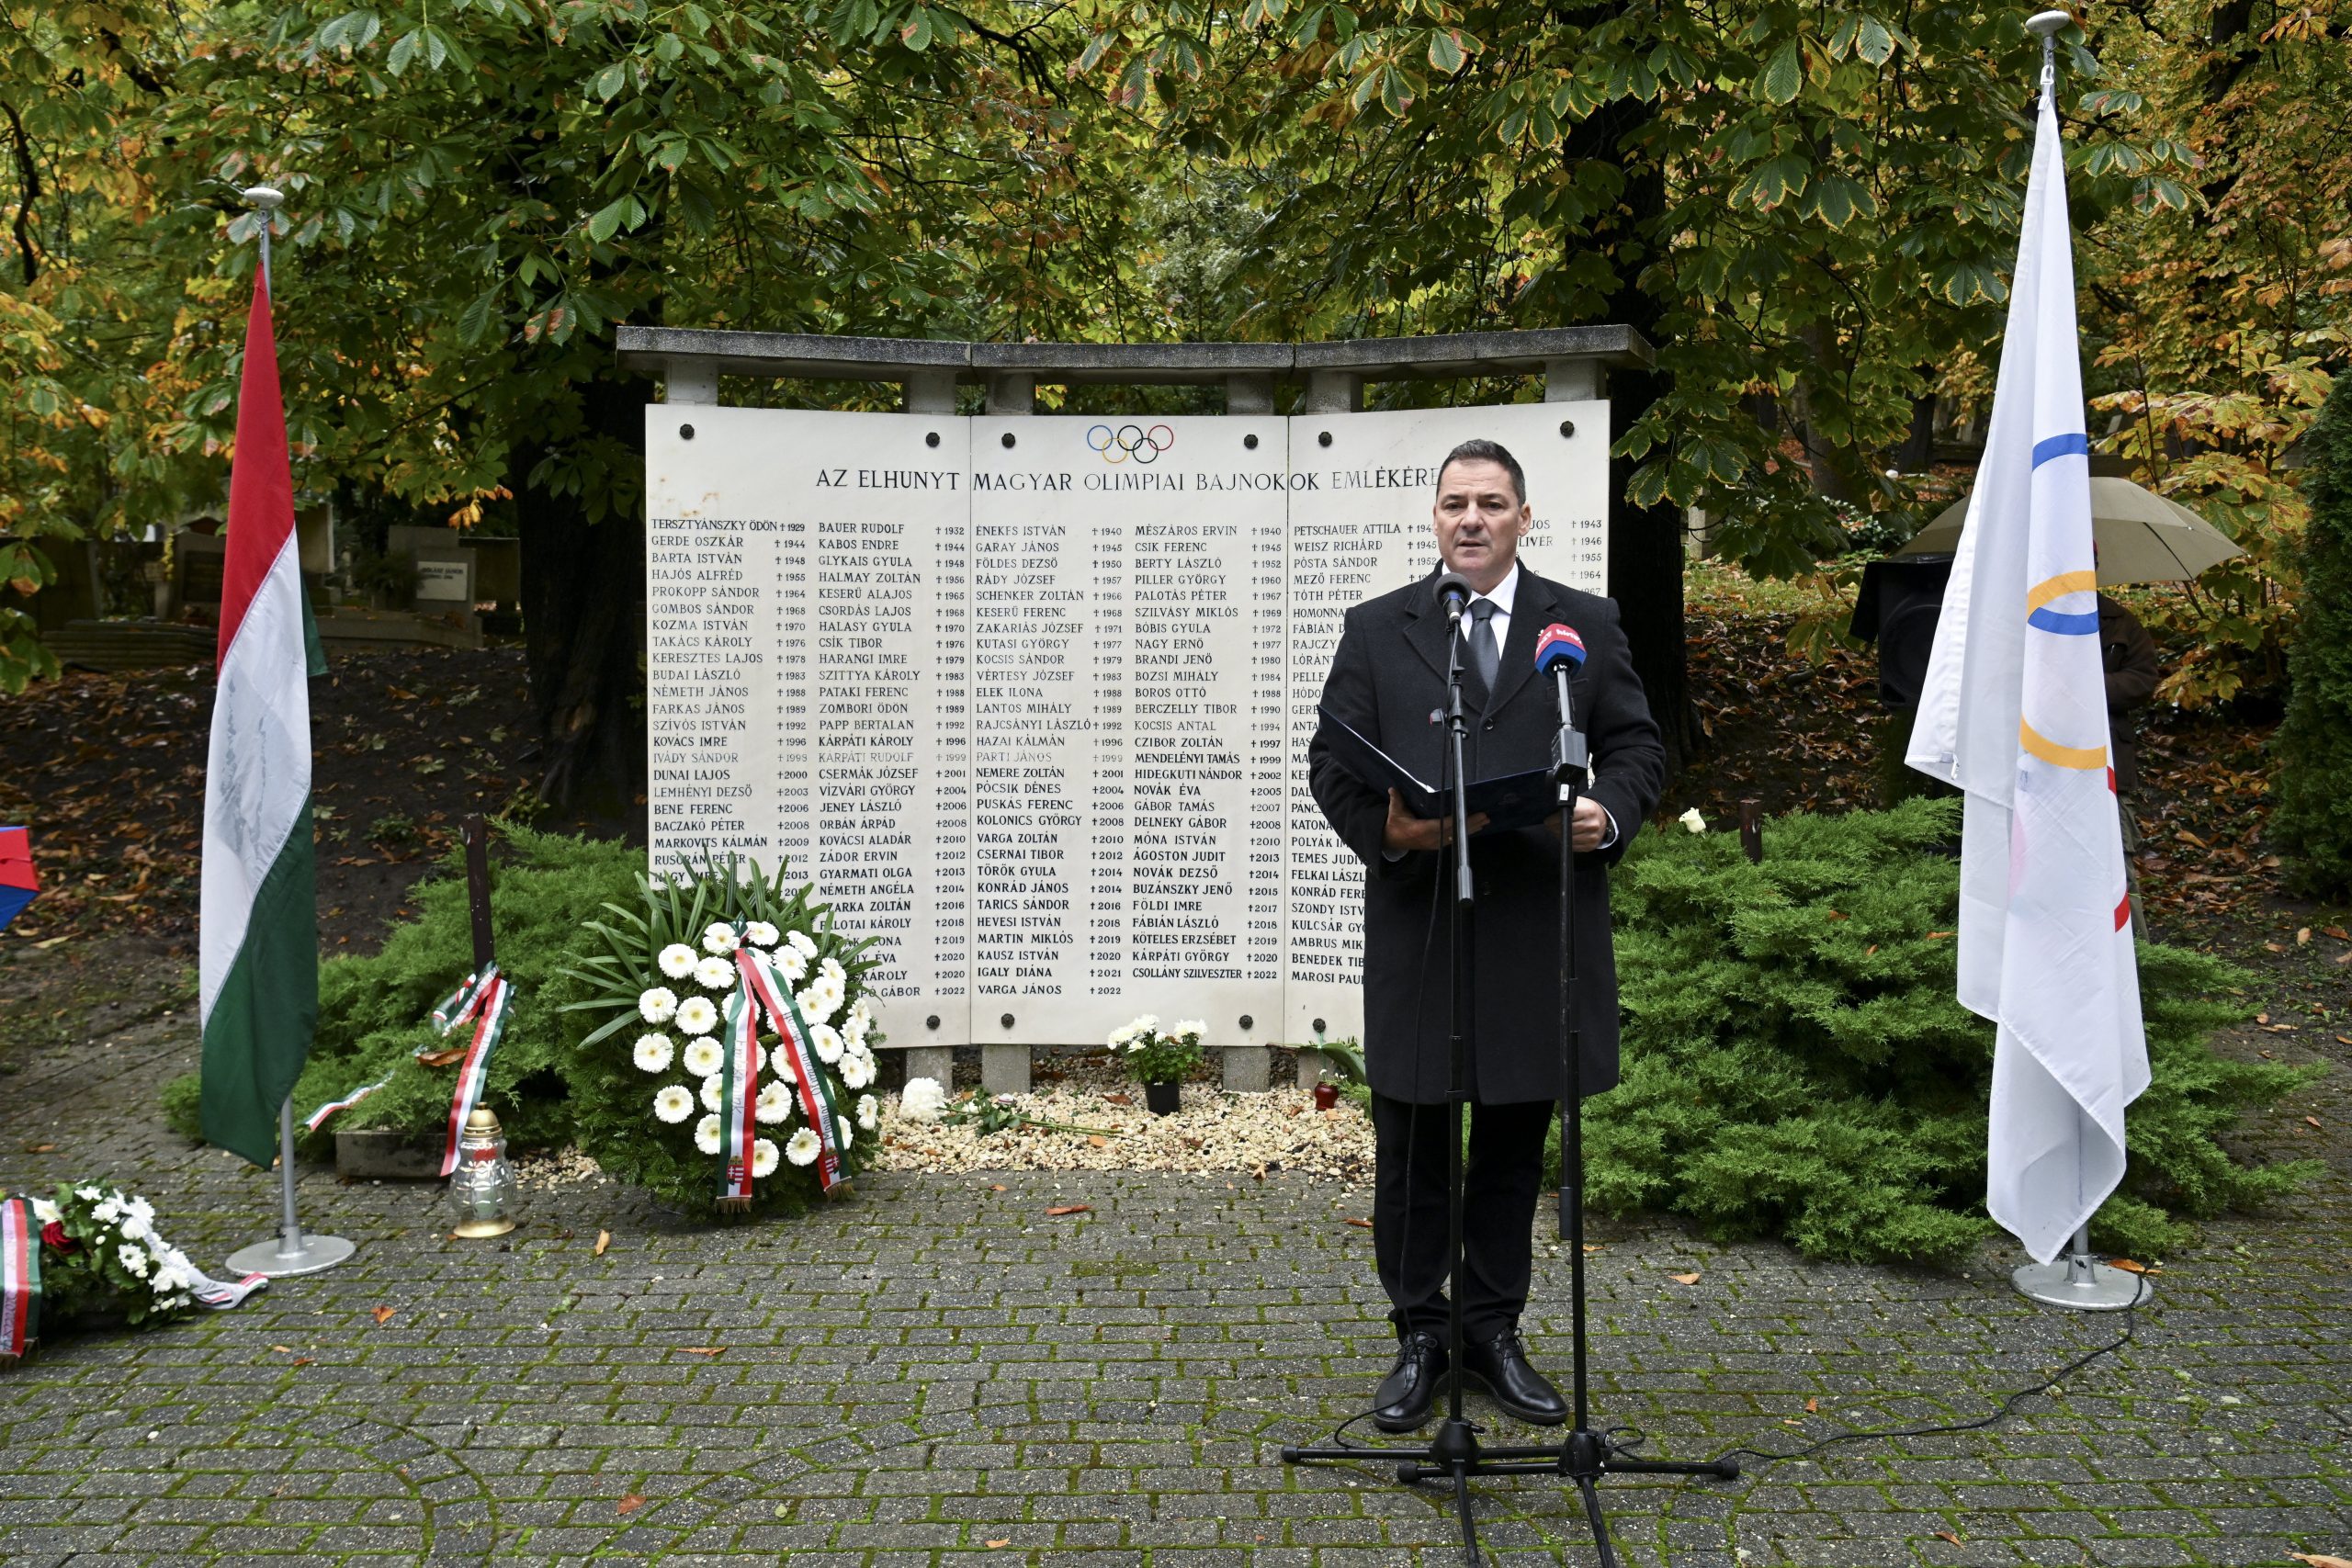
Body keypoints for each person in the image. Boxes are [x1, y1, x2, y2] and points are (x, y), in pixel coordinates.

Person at [1307, 439, 1665, 1431]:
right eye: (1454, 503)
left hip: (1535, 925)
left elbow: (1635, 742)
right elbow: (1331, 764)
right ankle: (1421, 1335)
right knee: (1414, 1143)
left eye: (1491, 503)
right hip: (1422, 921)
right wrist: (1394, 827)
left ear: (1522, 518)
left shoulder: (1580, 626)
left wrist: (1610, 814)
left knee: (1512, 1141)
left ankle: (1494, 1330)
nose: (1470, 518)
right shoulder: (1378, 630)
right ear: (1433, 518)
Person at [2099, 592, 2159, 936]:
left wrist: (2086, 681)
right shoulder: (2024, 613)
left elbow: (2142, 680)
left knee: (2117, 868)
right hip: (2037, 762)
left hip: (2109, 765)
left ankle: (2136, 965)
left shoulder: (2120, 621)